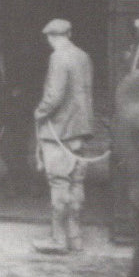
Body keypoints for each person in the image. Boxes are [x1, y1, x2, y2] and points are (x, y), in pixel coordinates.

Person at [31, 18, 94, 255]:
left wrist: (39, 111)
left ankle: (58, 240)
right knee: (76, 183)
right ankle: (75, 237)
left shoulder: (58, 57)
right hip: (80, 130)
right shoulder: (83, 56)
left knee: (58, 183)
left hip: (59, 130)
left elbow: (54, 96)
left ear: (51, 37)